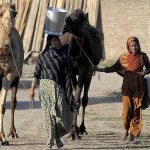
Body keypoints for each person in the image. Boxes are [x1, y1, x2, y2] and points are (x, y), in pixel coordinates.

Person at [95, 37, 150, 143]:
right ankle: (126, 129)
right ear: (128, 47)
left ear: (138, 45)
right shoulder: (123, 57)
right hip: (127, 87)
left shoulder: (143, 56)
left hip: (139, 86)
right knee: (126, 110)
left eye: (135, 45)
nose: (134, 48)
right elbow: (113, 68)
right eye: (131, 46)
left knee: (136, 111)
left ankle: (132, 134)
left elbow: (149, 67)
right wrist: (99, 69)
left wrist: (145, 72)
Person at [29, 34, 74, 149]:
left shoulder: (64, 56)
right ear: (49, 42)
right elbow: (36, 74)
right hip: (45, 88)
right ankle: (49, 143)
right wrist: (32, 90)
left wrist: (70, 92)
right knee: (48, 117)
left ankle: (57, 135)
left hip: (59, 89)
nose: (56, 42)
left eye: (57, 40)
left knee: (66, 119)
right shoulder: (43, 56)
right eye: (53, 40)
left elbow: (68, 75)